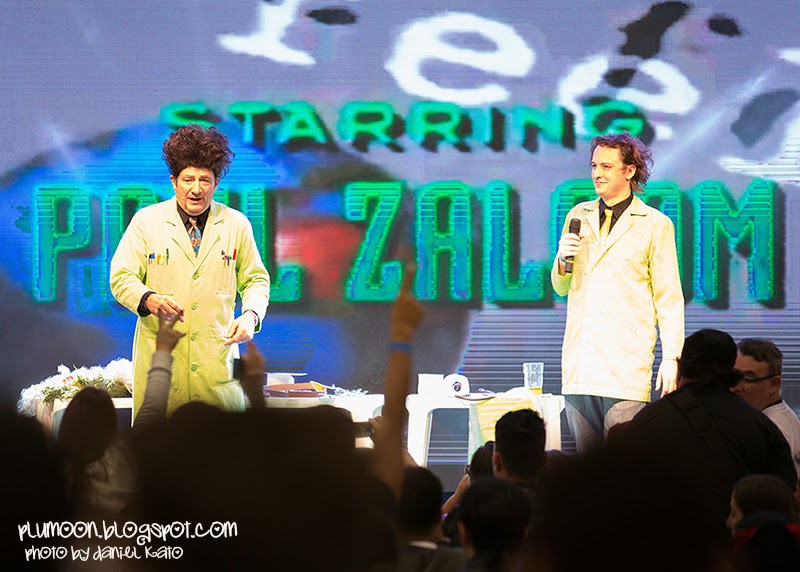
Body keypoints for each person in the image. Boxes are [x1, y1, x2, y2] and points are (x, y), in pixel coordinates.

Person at [110, 124, 270, 417]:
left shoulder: (236, 224)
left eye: (205, 180)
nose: (196, 189)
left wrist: (251, 315)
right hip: (163, 370)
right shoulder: (147, 221)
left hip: (216, 368)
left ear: (216, 182)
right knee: (160, 444)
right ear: (174, 181)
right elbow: (121, 277)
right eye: (188, 179)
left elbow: (256, 280)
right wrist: (147, 299)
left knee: (220, 443)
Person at [551, 132, 684, 451]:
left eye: (607, 166)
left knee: (622, 466)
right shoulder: (578, 216)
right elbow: (560, 286)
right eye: (594, 165)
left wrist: (672, 357)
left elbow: (668, 298)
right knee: (587, 468)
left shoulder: (654, 224)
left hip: (625, 367)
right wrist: (562, 257)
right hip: (581, 365)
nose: (597, 173)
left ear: (629, 170)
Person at [625, 329, 797, 530]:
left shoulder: (647, 420)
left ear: (681, 368)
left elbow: (621, 490)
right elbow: (784, 498)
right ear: (731, 372)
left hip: (661, 540)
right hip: (730, 543)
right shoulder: (761, 426)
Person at [733, 339, 800, 477]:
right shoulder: (780, 417)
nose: (735, 387)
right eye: (733, 377)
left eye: (748, 379)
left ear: (773, 384)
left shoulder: (774, 430)